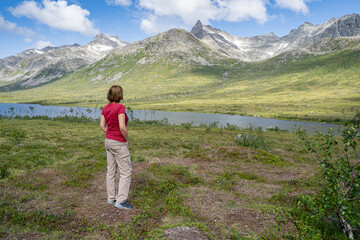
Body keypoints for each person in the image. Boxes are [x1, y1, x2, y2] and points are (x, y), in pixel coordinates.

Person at [100, 85, 133, 210]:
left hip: (108, 141)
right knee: (126, 171)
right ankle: (121, 201)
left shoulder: (105, 108)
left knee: (111, 170)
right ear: (120, 95)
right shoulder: (120, 107)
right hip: (118, 142)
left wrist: (110, 134)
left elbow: (102, 126)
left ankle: (111, 198)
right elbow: (122, 127)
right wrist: (126, 139)